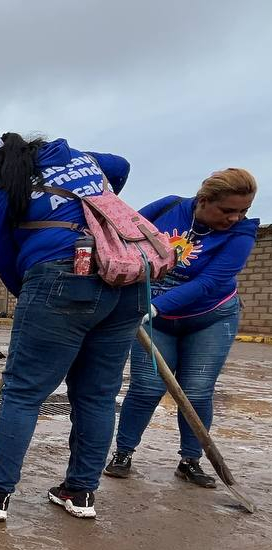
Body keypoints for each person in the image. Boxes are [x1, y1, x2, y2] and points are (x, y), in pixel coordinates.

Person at [0, 133, 141, 522]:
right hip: (127, 281)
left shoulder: (2, 196)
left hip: (60, 277)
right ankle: (80, 492)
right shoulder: (78, 157)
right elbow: (121, 166)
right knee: (97, 396)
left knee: (23, 393)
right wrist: (90, 207)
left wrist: (34, 299)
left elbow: (7, 262)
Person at [106, 169, 259, 487]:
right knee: (146, 389)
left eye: (243, 210)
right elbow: (121, 232)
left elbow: (210, 282)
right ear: (204, 200)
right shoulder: (168, 208)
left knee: (197, 391)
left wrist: (157, 305)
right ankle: (123, 453)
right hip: (154, 319)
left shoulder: (241, 234)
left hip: (210, 317)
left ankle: (190, 460)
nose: (235, 218)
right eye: (228, 210)